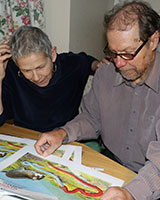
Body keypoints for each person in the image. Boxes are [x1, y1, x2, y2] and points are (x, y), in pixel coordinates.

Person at [35, 1, 160, 200]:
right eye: (113, 53)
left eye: (128, 54)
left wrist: (130, 194)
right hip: (109, 167)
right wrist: (62, 133)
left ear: (153, 41)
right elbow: (92, 118)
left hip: (149, 182)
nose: (118, 63)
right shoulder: (106, 74)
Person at [0, 25, 100, 133]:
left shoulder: (70, 64)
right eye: (27, 71)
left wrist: (99, 65)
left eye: (40, 67)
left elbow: (88, 62)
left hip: (65, 136)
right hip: (26, 137)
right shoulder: (11, 72)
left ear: (52, 54)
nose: (36, 77)